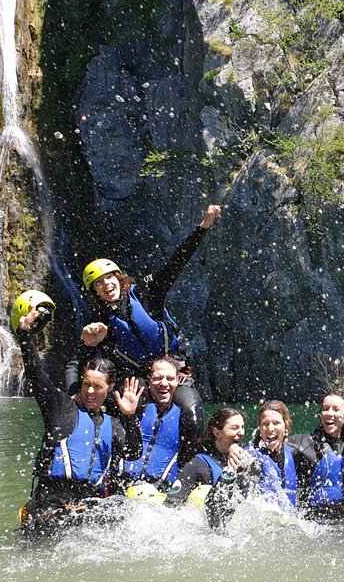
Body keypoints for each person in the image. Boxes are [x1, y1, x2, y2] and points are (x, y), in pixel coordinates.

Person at [66, 204, 221, 415]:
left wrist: (203, 226)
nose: (107, 285)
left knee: (191, 411)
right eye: (98, 283)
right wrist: (73, 390)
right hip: (140, 375)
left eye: (109, 278)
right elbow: (79, 361)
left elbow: (176, 262)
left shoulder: (147, 293)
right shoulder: (98, 322)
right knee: (133, 409)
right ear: (95, 292)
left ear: (119, 278)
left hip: (173, 364)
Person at [15, 307, 141, 537]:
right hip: (50, 505)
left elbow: (133, 452)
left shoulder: (112, 425)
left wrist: (130, 418)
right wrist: (25, 334)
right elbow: (36, 374)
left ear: (110, 388)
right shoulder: (61, 407)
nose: (90, 391)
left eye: (98, 386)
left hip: (90, 508)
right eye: (86, 384)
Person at [115, 355, 205, 493]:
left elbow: (211, 441)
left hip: (161, 493)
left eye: (170, 378)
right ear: (149, 380)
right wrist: (129, 415)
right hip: (122, 488)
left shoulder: (184, 417)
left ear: (177, 381)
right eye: (158, 378)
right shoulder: (133, 407)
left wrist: (232, 447)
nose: (164, 383)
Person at [166, 407, 266, 529]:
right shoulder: (198, 465)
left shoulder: (246, 461)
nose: (242, 433)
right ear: (217, 432)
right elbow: (170, 506)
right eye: (235, 428)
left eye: (242, 427)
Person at [288, 391, 344, 522]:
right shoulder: (303, 443)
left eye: (336, 409)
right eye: (325, 409)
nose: (329, 413)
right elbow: (271, 445)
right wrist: (236, 446)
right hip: (314, 524)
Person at [251, 400, 301, 507]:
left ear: (286, 426)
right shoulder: (251, 458)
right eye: (265, 424)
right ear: (259, 428)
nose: (270, 429)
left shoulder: (294, 453)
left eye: (276, 423)